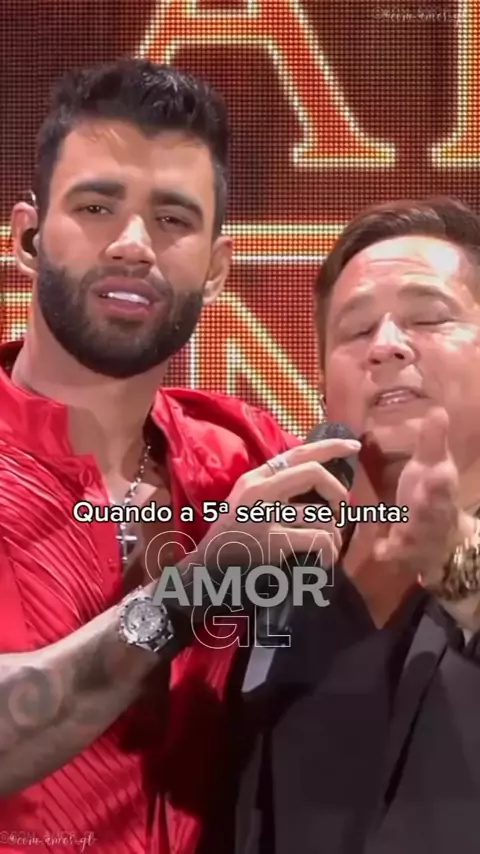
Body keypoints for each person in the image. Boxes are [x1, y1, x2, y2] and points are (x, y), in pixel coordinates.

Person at [0, 58, 360, 853]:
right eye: (96, 207)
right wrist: (193, 590)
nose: (134, 245)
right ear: (27, 237)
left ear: (217, 268)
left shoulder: (246, 455)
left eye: (172, 219)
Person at [235, 196, 480, 854]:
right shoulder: (277, 574)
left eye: (428, 317)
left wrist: (454, 557)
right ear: (322, 383)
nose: (386, 346)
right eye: (355, 330)